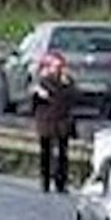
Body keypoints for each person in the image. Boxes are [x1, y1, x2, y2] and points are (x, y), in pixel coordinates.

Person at [32, 53, 75, 193]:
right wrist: (38, 94)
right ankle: (45, 182)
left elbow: (74, 99)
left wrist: (67, 84)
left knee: (63, 153)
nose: (58, 70)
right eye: (55, 67)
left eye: (60, 67)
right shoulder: (42, 82)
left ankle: (61, 183)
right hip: (46, 122)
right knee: (46, 153)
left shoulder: (67, 82)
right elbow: (34, 104)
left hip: (62, 121)